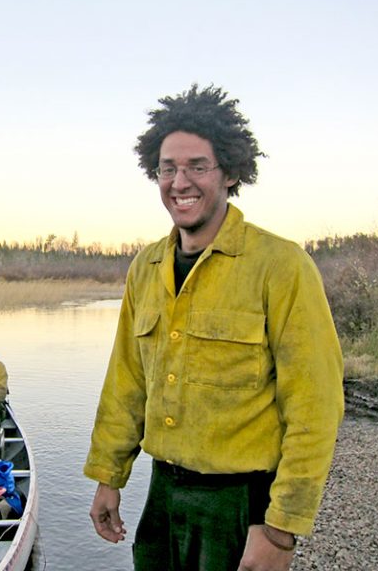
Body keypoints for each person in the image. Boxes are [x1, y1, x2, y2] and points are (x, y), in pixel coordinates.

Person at [83, 84, 344, 571]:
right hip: (162, 497)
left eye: (197, 166)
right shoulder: (146, 267)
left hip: (240, 506)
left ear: (230, 173)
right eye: (168, 168)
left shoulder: (281, 266)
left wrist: (280, 531)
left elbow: (316, 408)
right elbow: (126, 383)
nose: (179, 182)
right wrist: (109, 476)